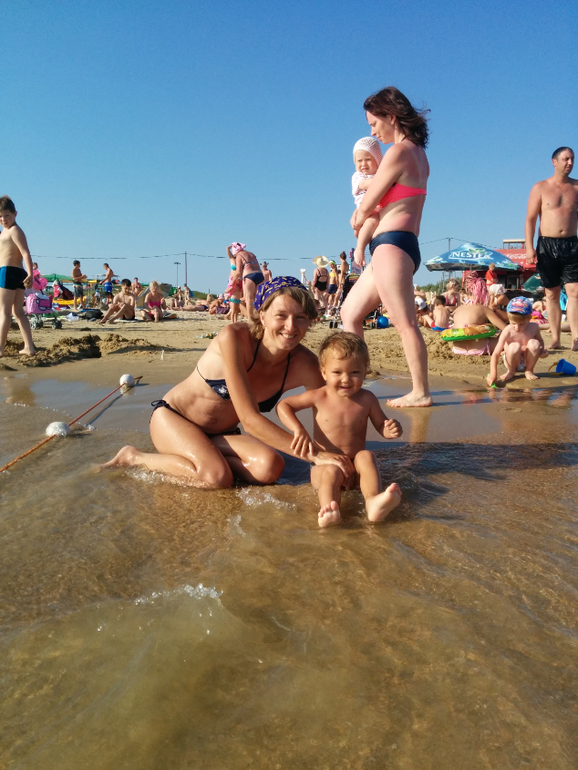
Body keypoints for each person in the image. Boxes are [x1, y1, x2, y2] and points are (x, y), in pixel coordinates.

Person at [105, 277, 354, 488]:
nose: (291, 326)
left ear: (309, 320)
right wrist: (315, 455)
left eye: (300, 317)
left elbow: (329, 419)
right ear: (262, 316)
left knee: (269, 467)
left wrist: (335, 464)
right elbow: (249, 420)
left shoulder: (306, 365)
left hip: (223, 436)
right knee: (216, 478)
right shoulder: (235, 338)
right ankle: (134, 457)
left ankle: (208, 457)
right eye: (281, 315)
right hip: (175, 420)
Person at [341, 86, 431, 408]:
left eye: (373, 123)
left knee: (404, 322)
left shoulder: (399, 152)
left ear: (390, 116)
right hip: (397, 244)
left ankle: (420, 391)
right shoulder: (419, 154)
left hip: (392, 245)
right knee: (350, 313)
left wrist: (358, 215)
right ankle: (356, 382)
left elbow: (369, 202)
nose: (372, 131)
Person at [277, 332, 402, 527]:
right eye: (337, 372)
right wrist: (298, 429)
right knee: (331, 472)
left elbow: (381, 426)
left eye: (355, 372)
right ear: (324, 372)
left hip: (355, 467)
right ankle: (329, 510)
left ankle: (372, 502)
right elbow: (283, 406)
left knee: (366, 455)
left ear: (365, 371)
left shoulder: (367, 399)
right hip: (323, 465)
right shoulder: (318, 396)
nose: (346, 379)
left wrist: (391, 430)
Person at [525, 147, 578, 350]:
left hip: (571, 243)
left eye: (572, 159)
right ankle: (555, 339)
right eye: (566, 159)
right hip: (547, 244)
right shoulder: (540, 187)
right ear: (554, 162)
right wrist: (529, 247)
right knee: (552, 293)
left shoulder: (576, 187)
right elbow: (530, 219)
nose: (570, 162)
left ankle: (576, 338)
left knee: (575, 291)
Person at [0, 196, 36, 357]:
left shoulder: (14, 230)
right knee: (17, 312)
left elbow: (25, 252)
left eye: (7, 215)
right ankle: (29, 347)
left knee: (4, 312)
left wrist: (31, 273)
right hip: (17, 273)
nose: (3, 219)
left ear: (15, 214)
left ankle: (0, 348)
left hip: (8, 271)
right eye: (0, 216)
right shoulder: (5, 231)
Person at [487, 297, 547, 385]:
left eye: (522, 324)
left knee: (535, 343)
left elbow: (540, 341)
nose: (517, 328)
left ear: (529, 318)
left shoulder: (534, 327)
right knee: (514, 346)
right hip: (511, 360)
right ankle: (511, 371)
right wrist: (493, 374)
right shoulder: (507, 331)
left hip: (528, 359)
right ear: (508, 319)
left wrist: (541, 351)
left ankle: (529, 370)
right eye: (513, 323)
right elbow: (496, 353)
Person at [351, 137, 383, 266]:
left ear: (377, 160)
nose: (363, 164)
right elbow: (364, 184)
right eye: (359, 160)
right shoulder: (358, 176)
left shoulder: (380, 173)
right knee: (372, 220)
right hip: (366, 208)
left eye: (368, 159)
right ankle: (360, 249)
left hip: (378, 207)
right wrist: (386, 179)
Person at [228, 242, 263, 317]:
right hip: (260, 275)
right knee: (258, 298)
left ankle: (251, 319)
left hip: (249, 276)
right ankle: (259, 316)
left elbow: (238, 272)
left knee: (248, 299)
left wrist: (232, 283)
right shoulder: (251, 254)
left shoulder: (239, 256)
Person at [224, 252, 243, 324]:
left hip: (237, 296)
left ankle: (235, 321)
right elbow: (229, 254)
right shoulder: (232, 260)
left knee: (236, 311)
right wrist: (229, 248)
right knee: (233, 310)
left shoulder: (240, 261)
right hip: (232, 280)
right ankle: (232, 322)